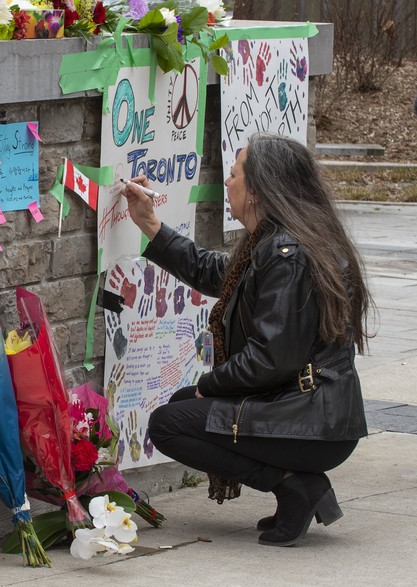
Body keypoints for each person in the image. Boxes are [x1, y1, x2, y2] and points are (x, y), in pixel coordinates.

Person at [120, 133, 372, 547]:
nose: (227, 182)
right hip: (312, 414)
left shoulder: (289, 254)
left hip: (311, 421)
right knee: (183, 407)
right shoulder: (279, 242)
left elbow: (270, 360)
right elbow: (213, 272)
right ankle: (295, 484)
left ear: (256, 190)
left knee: (168, 424)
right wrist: (149, 222)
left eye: (234, 174)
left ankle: (294, 485)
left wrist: (207, 386)